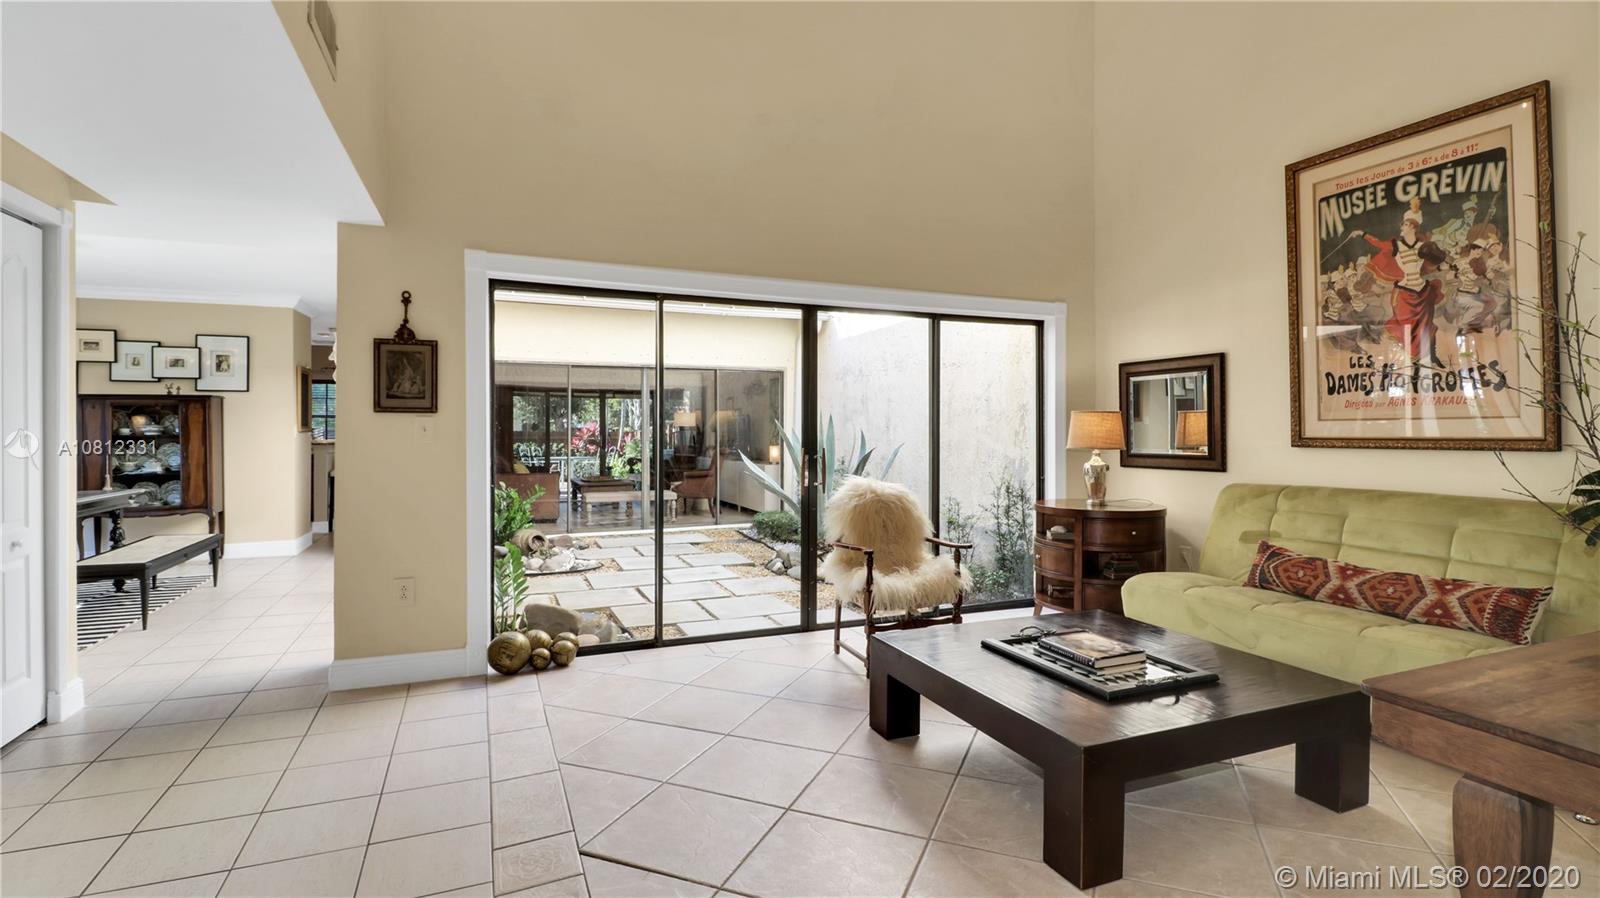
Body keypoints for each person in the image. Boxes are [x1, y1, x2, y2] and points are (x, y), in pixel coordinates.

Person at [1352, 198, 1451, 368]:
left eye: (1404, 225)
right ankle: (1413, 361)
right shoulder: (1395, 245)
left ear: (1412, 226)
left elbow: (1434, 262)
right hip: (1405, 293)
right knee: (1407, 326)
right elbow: (1378, 243)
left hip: (1423, 291)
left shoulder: (1424, 245)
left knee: (1427, 325)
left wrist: (1444, 265)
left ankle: (1432, 356)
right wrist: (1362, 234)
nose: (1401, 228)